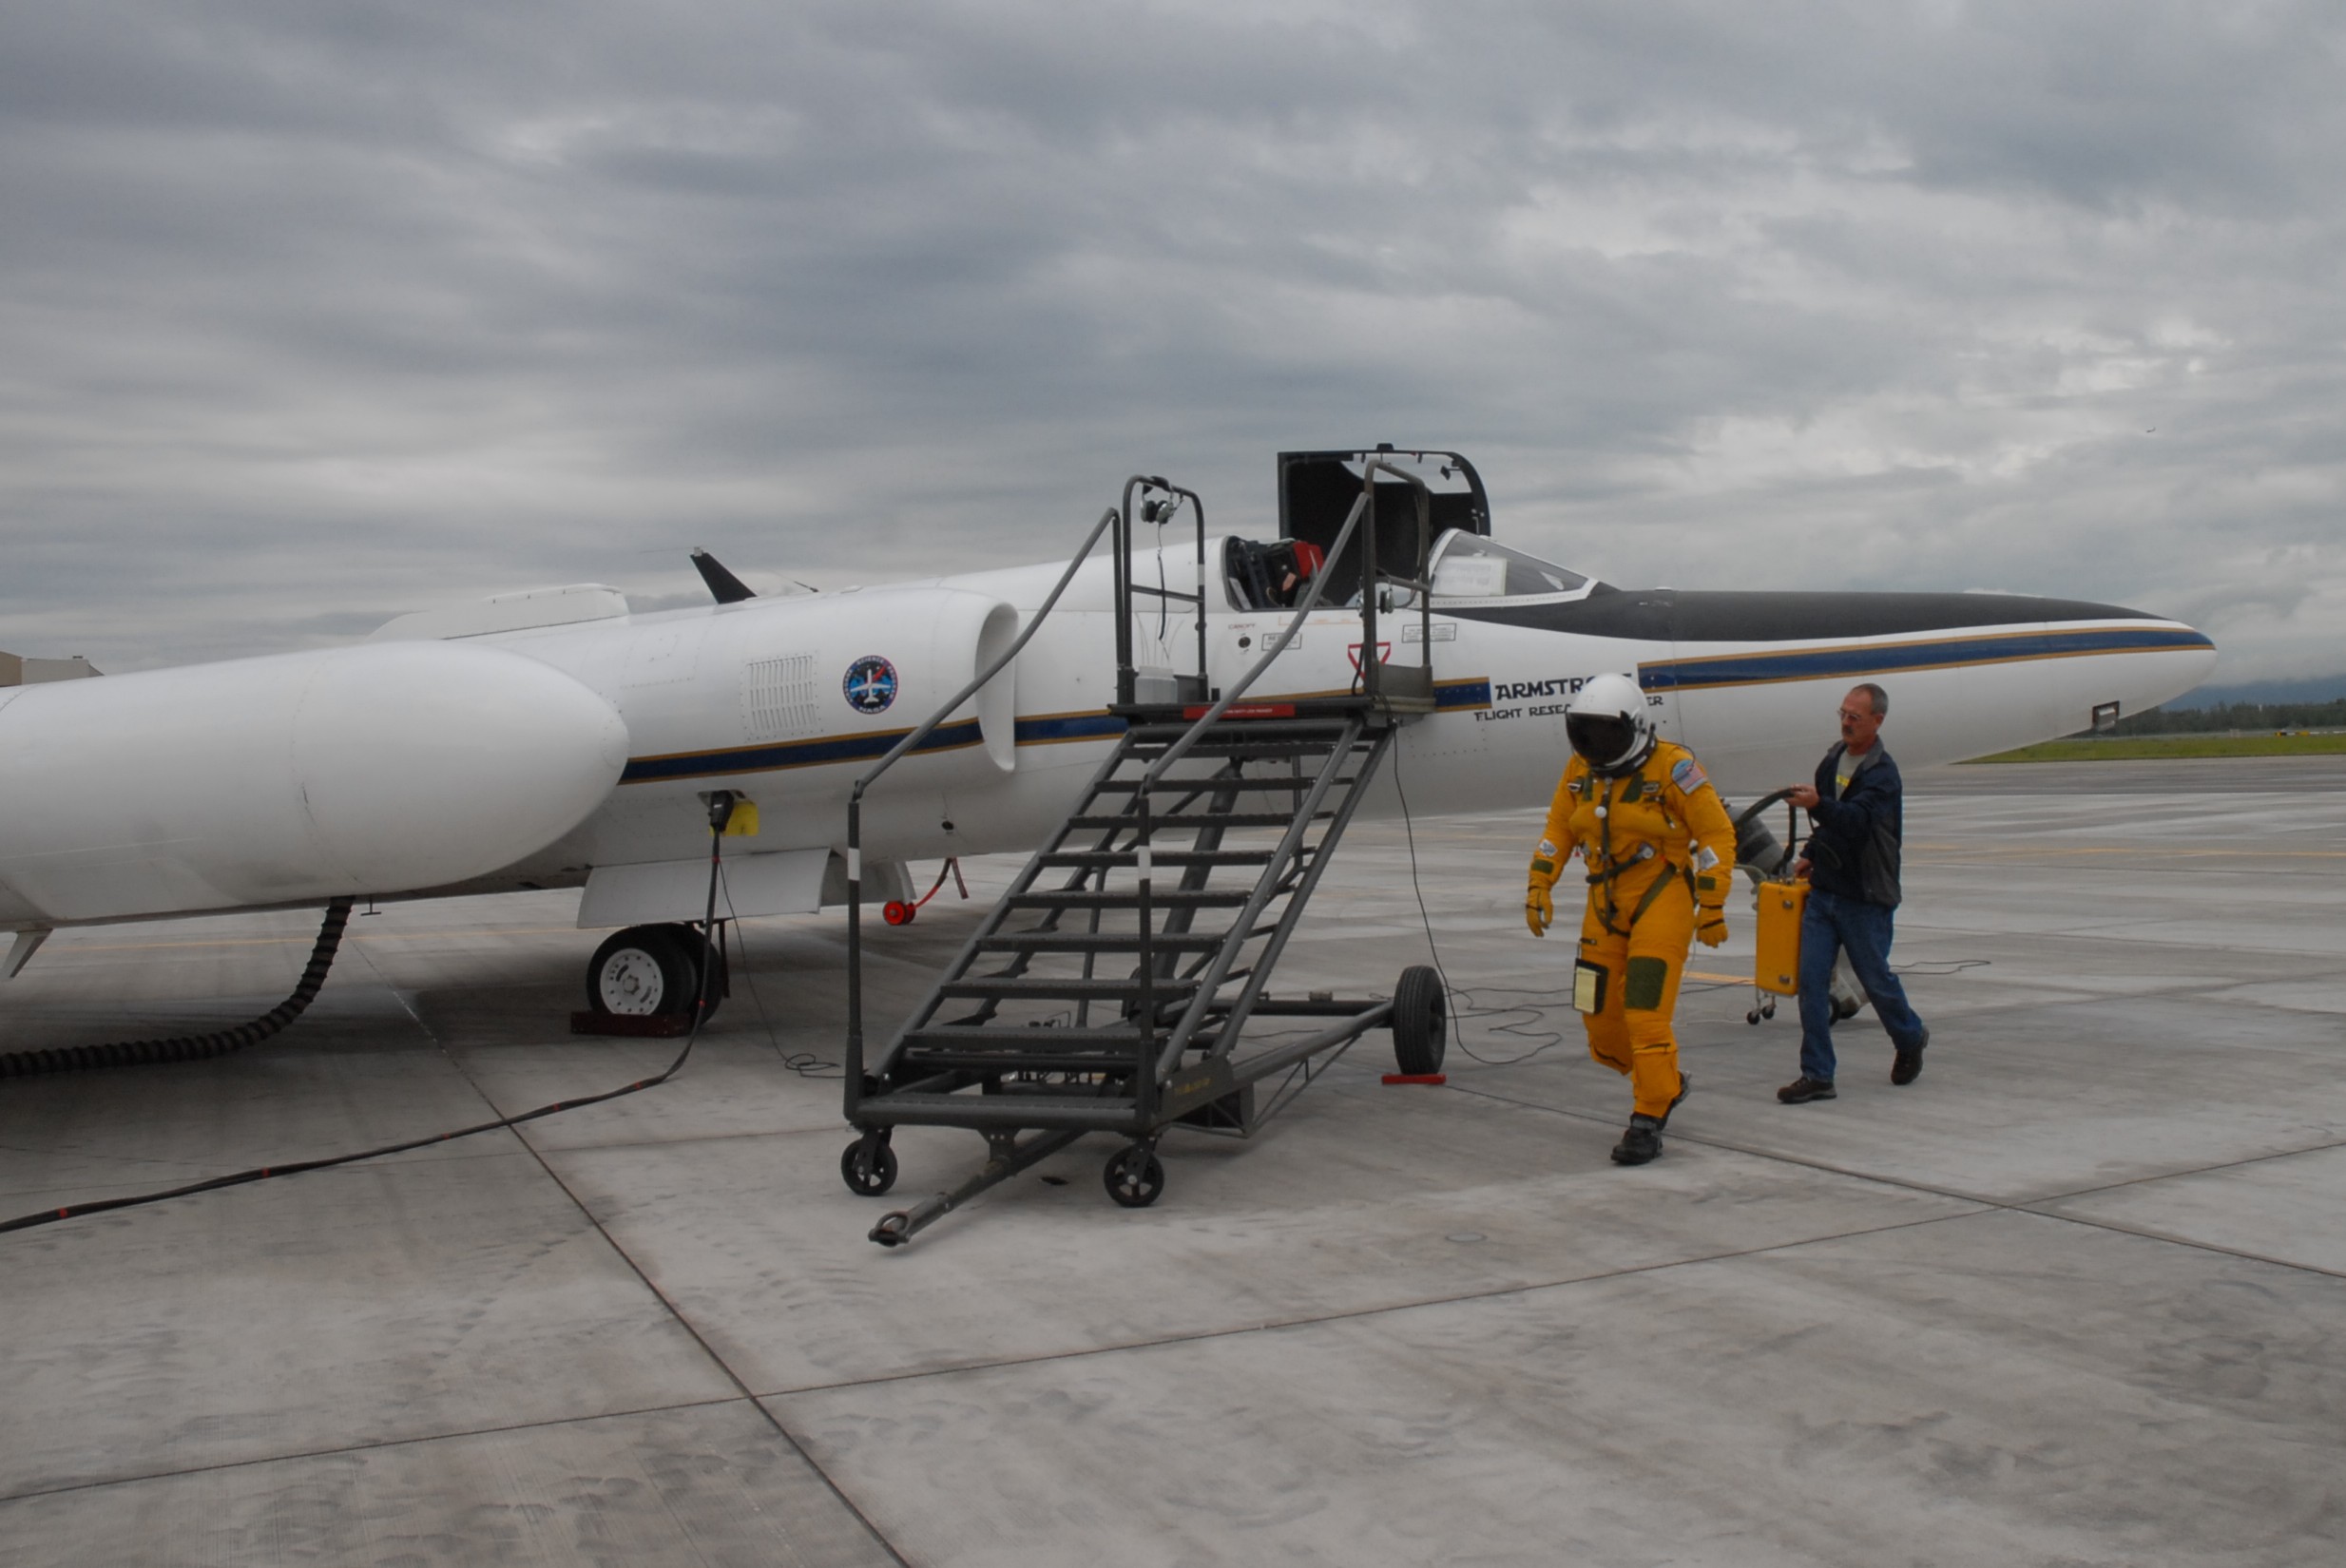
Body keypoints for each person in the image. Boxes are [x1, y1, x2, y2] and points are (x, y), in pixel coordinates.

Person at [1526, 673, 1737, 1164]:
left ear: (1636, 727)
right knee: (1597, 1021)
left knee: (1645, 1014)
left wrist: (1712, 903)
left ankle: (1647, 1117)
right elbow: (1559, 826)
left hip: (1660, 899)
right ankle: (1663, 1081)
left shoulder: (1675, 768)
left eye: (1605, 734)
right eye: (1586, 733)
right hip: (1603, 904)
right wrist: (1539, 882)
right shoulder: (1580, 770)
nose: (1595, 745)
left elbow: (1716, 835)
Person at [1777, 682, 1931, 1103]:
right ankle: (1818, 1075)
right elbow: (1830, 822)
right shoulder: (1832, 760)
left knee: (1875, 980)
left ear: (1877, 722)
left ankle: (1910, 1036)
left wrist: (1815, 806)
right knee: (1811, 983)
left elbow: (1856, 820)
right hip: (1825, 892)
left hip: (1864, 897)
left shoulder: (1883, 774)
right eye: (1842, 714)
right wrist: (1809, 852)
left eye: (1855, 717)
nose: (1846, 722)